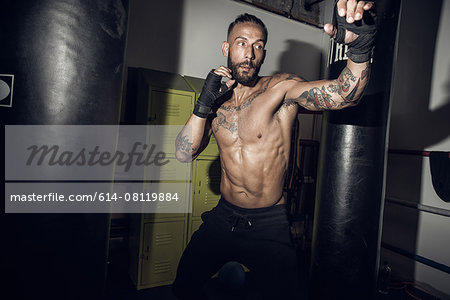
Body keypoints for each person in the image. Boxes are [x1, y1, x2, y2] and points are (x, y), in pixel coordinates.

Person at [173, 0, 376, 299]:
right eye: (241, 43)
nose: (250, 53)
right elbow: (183, 154)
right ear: (226, 49)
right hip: (222, 218)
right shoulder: (216, 103)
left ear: (264, 52)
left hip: (268, 224)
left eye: (258, 45)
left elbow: (344, 95)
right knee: (184, 285)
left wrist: (360, 50)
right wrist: (203, 104)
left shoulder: (280, 90)